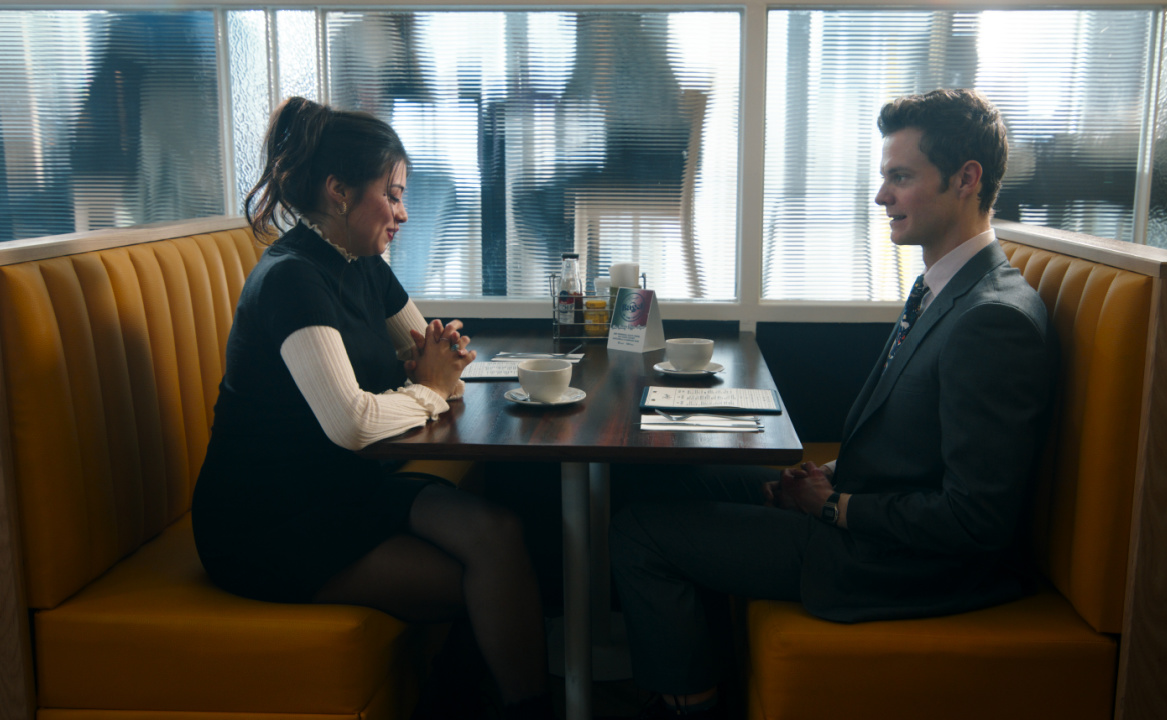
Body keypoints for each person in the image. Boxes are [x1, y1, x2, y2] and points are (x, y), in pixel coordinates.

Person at [608, 88, 1058, 719]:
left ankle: (691, 704)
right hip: (872, 523)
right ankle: (686, 676)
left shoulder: (993, 320)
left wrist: (836, 509)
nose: (882, 198)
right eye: (884, 178)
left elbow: (978, 519)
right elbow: (912, 443)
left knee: (639, 532)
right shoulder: (945, 288)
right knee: (666, 478)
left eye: (900, 178)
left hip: (898, 566)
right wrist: (826, 478)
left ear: (967, 179)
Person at [191, 97, 553, 720]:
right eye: (392, 194)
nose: (404, 213)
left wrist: (438, 374)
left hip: (341, 489)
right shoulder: (292, 278)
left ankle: (501, 703)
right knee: (477, 579)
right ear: (338, 192)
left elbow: (440, 360)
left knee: (500, 535)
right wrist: (429, 390)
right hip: (267, 522)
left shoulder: (361, 265)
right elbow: (354, 423)